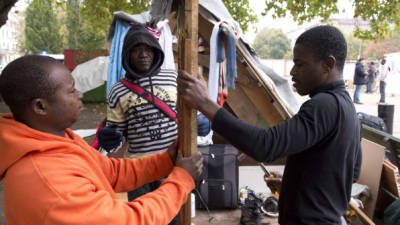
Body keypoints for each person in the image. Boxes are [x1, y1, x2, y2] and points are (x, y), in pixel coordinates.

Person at [178, 25, 362, 225]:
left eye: (299, 64)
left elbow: (266, 145)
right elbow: (351, 172)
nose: (292, 71)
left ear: (328, 64)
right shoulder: (347, 107)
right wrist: (296, 186)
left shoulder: (323, 105)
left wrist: (205, 104)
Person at [0, 55, 203, 225]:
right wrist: (182, 179)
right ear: (40, 107)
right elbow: (130, 220)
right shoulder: (47, 182)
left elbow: (110, 172)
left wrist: (166, 160)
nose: (80, 94)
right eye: (71, 90)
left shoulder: (60, 140)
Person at [99, 23, 180, 217]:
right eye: (136, 50)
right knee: (143, 218)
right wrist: (109, 138)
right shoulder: (118, 90)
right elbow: (117, 134)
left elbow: (189, 115)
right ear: (126, 55)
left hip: (172, 164)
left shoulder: (173, 78)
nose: (143, 54)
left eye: (147, 49)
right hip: (137, 170)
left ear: (155, 51)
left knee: (174, 217)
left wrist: (200, 121)